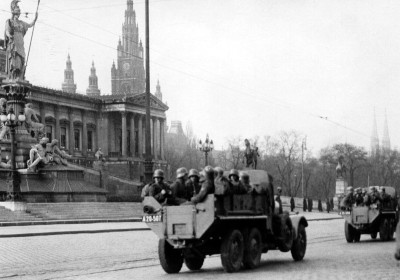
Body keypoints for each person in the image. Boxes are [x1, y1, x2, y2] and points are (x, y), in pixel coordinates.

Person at [5, 1, 38, 80]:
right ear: (13, 13)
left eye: (19, 13)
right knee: (15, 62)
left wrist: (35, 19)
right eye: (16, 12)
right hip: (14, 44)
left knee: (21, 61)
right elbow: (6, 31)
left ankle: (19, 77)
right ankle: (14, 77)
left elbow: (30, 25)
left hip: (20, 45)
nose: (18, 14)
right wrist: (10, 36)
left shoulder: (22, 23)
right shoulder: (9, 21)